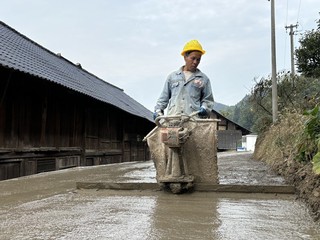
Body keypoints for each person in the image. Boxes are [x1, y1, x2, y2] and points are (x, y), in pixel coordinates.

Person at [153, 39, 214, 120]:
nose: (195, 62)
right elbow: (163, 99)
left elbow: (208, 100)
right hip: (173, 121)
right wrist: (158, 110)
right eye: (193, 58)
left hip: (193, 122)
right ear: (185, 57)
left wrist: (204, 108)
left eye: (198, 59)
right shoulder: (172, 77)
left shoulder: (203, 79)